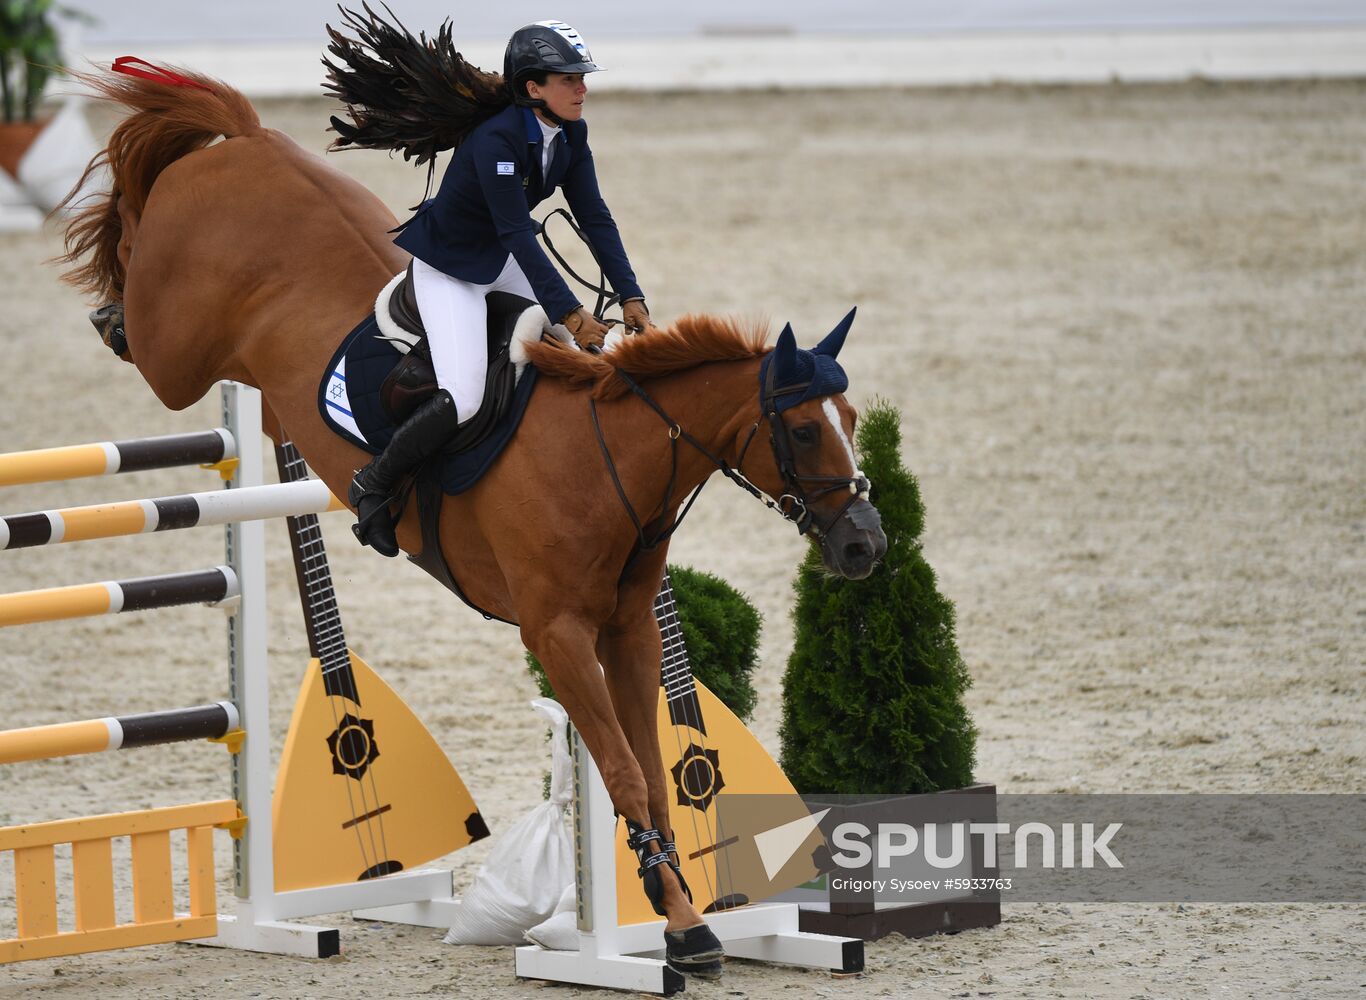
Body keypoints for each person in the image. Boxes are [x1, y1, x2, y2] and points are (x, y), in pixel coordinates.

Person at [341, 19, 655, 556]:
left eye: (581, 77)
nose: (581, 88)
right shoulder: (497, 140)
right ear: (533, 87)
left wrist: (632, 296)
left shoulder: (571, 134)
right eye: (568, 79)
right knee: (464, 397)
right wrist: (572, 313)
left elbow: (595, 218)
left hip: (501, 258)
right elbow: (516, 230)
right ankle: (373, 482)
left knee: (609, 351)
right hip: (449, 269)